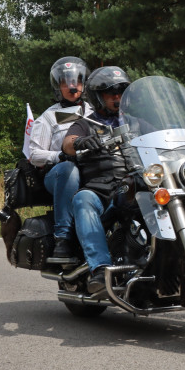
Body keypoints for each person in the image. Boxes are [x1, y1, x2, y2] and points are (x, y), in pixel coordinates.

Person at [63, 66, 132, 293]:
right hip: (103, 190)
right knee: (83, 199)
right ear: (98, 97)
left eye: (121, 91)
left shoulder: (136, 122)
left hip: (136, 184)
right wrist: (80, 143)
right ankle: (101, 269)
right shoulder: (86, 123)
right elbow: (68, 142)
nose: (117, 97)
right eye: (111, 92)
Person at [27, 56, 91, 265]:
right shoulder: (48, 117)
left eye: (77, 81)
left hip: (92, 170)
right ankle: (63, 237)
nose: (73, 87)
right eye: (67, 82)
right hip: (58, 174)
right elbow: (34, 154)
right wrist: (59, 156)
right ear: (59, 86)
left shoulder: (94, 111)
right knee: (68, 169)